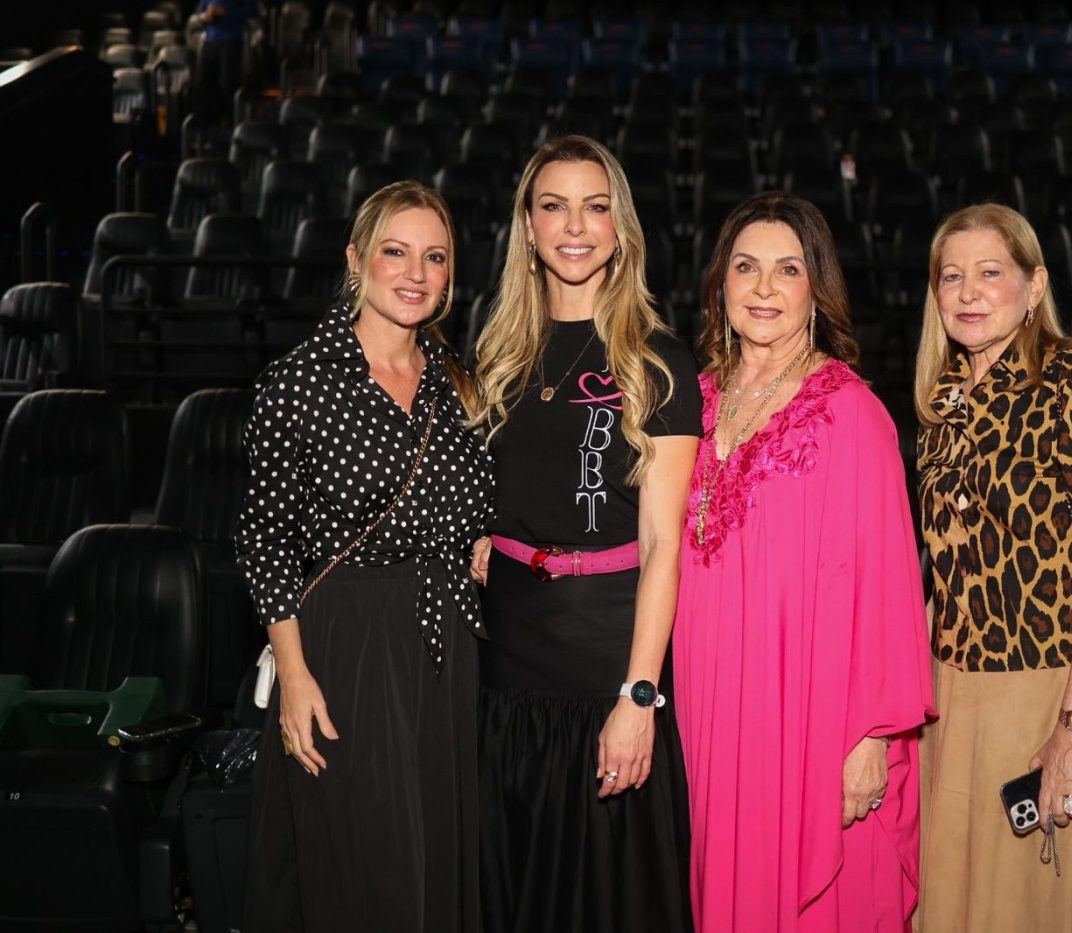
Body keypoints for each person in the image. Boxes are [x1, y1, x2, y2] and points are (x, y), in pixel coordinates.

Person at [672, 191, 935, 932]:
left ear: (816, 289)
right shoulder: (690, 405)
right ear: (719, 284)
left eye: (786, 270)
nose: (762, 288)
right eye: (746, 267)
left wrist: (873, 739)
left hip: (809, 717)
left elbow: (888, 585)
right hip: (708, 708)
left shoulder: (853, 413)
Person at [236, 180, 490, 933]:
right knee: (365, 861)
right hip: (347, 647)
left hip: (450, 644)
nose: (415, 272)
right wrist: (295, 678)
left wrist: (481, 536)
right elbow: (263, 540)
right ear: (356, 260)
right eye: (396, 251)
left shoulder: (460, 380)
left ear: (450, 275)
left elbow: (479, 501)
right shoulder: (299, 383)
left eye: (434, 257)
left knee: (440, 849)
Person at [467, 135, 701, 932]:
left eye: (595, 207)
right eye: (554, 206)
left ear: (620, 228)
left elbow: (666, 545)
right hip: (505, 662)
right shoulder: (495, 353)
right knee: (517, 891)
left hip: (607, 663)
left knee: (607, 899)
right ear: (527, 228)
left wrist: (640, 694)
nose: (576, 226)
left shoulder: (658, 362)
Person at [912, 203, 1072, 932]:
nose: (968, 291)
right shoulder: (942, 406)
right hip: (956, 698)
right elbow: (947, 569)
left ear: (1034, 284)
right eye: (951, 276)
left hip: (1058, 685)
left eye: (990, 273)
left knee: (1047, 905)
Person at [194, 0, 257, 122]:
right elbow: (200, 12)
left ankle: (231, 122)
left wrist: (226, 12)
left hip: (231, 40)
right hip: (209, 40)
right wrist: (204, 16)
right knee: (204, 84)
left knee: (227, 83)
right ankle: (208, 125)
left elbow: (253, 12)